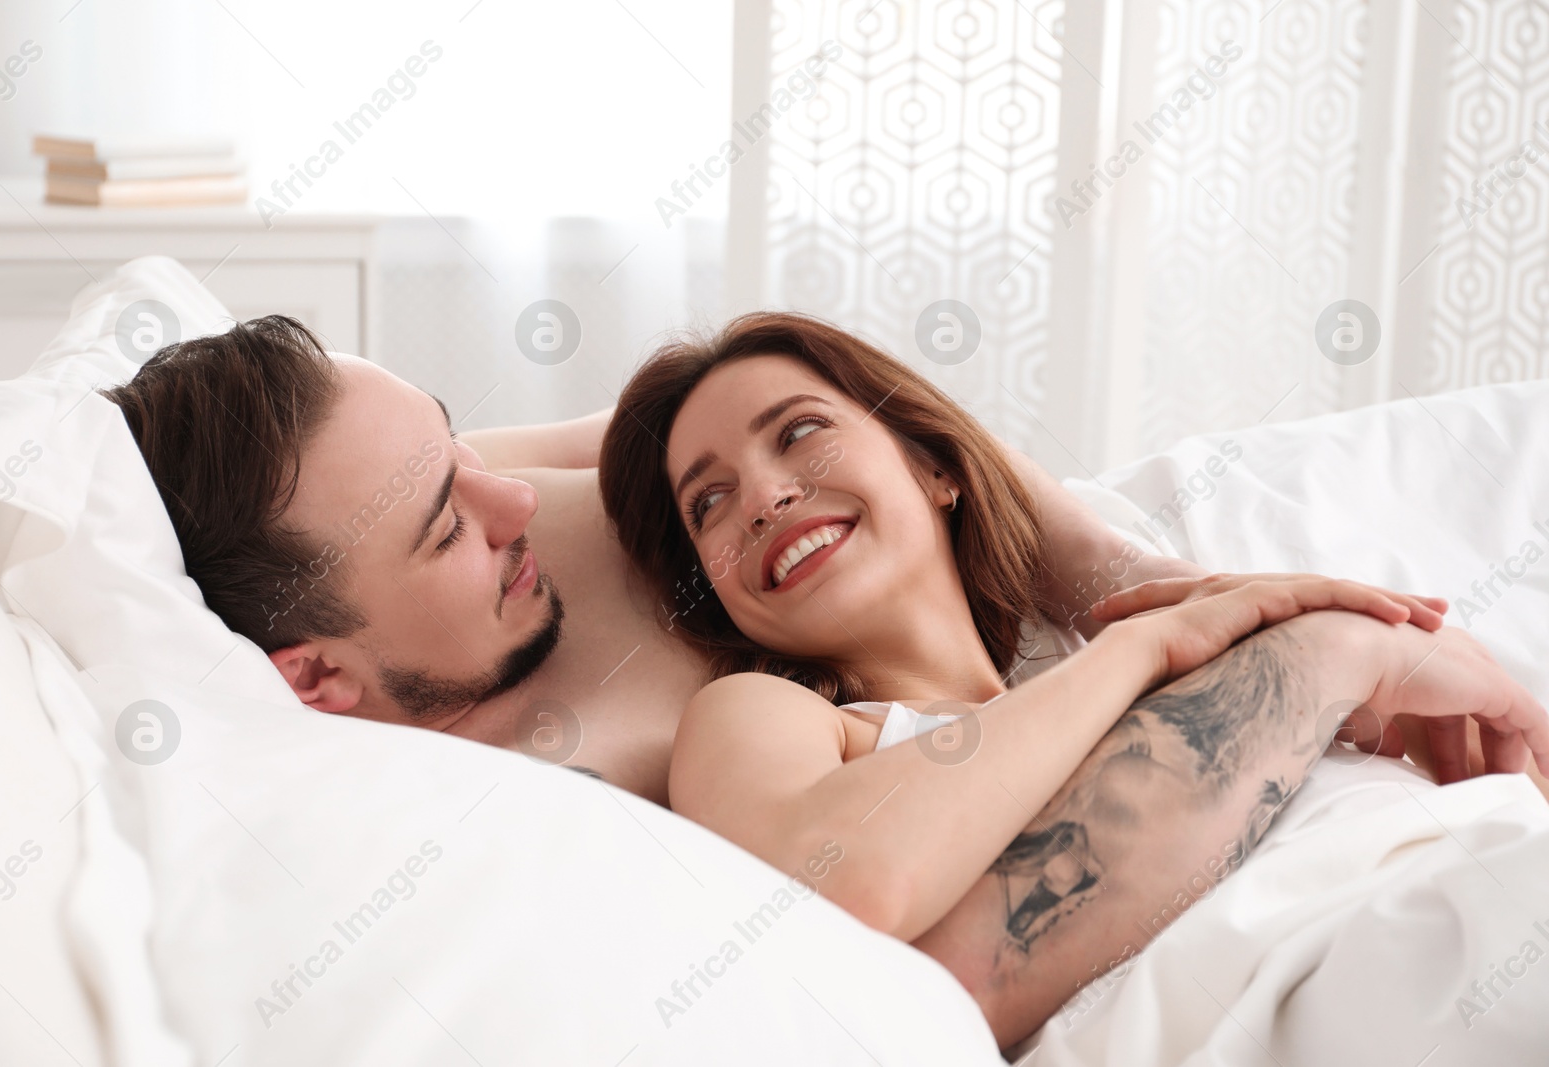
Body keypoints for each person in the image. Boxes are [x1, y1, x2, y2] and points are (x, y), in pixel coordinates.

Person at [597, 311, 1549, 1047]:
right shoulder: (758, 715)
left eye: (800, 432)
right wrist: (1149, 650)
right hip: (1344, 978)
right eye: (708, 501)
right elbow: (833, 889)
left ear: (937, 468)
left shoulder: (1137, 630)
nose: (763, 497)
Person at [102, 312, 1243, 804]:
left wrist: (1115, 573)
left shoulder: (406, 493)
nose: (513, 503)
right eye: (449, 528)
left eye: (455, 445)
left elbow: (812, 403)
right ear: (315, 679)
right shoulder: (522, 805)